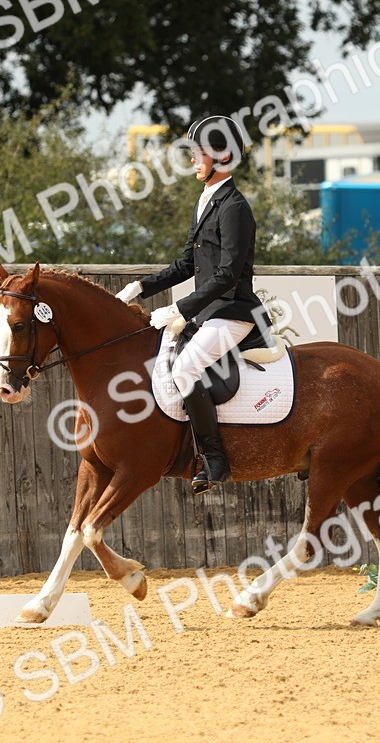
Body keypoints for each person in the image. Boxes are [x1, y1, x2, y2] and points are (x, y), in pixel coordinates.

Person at [114, 115, 268, 494]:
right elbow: (187, 263)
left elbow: (229, 274)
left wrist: (180, 309)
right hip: (208, 313)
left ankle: (215, 460)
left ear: (223, 155)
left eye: (199, 154)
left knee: (184, 368)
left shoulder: (234, 207)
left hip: (233, 313)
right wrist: (140, 287)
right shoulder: (206, 202)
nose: (194, 161)